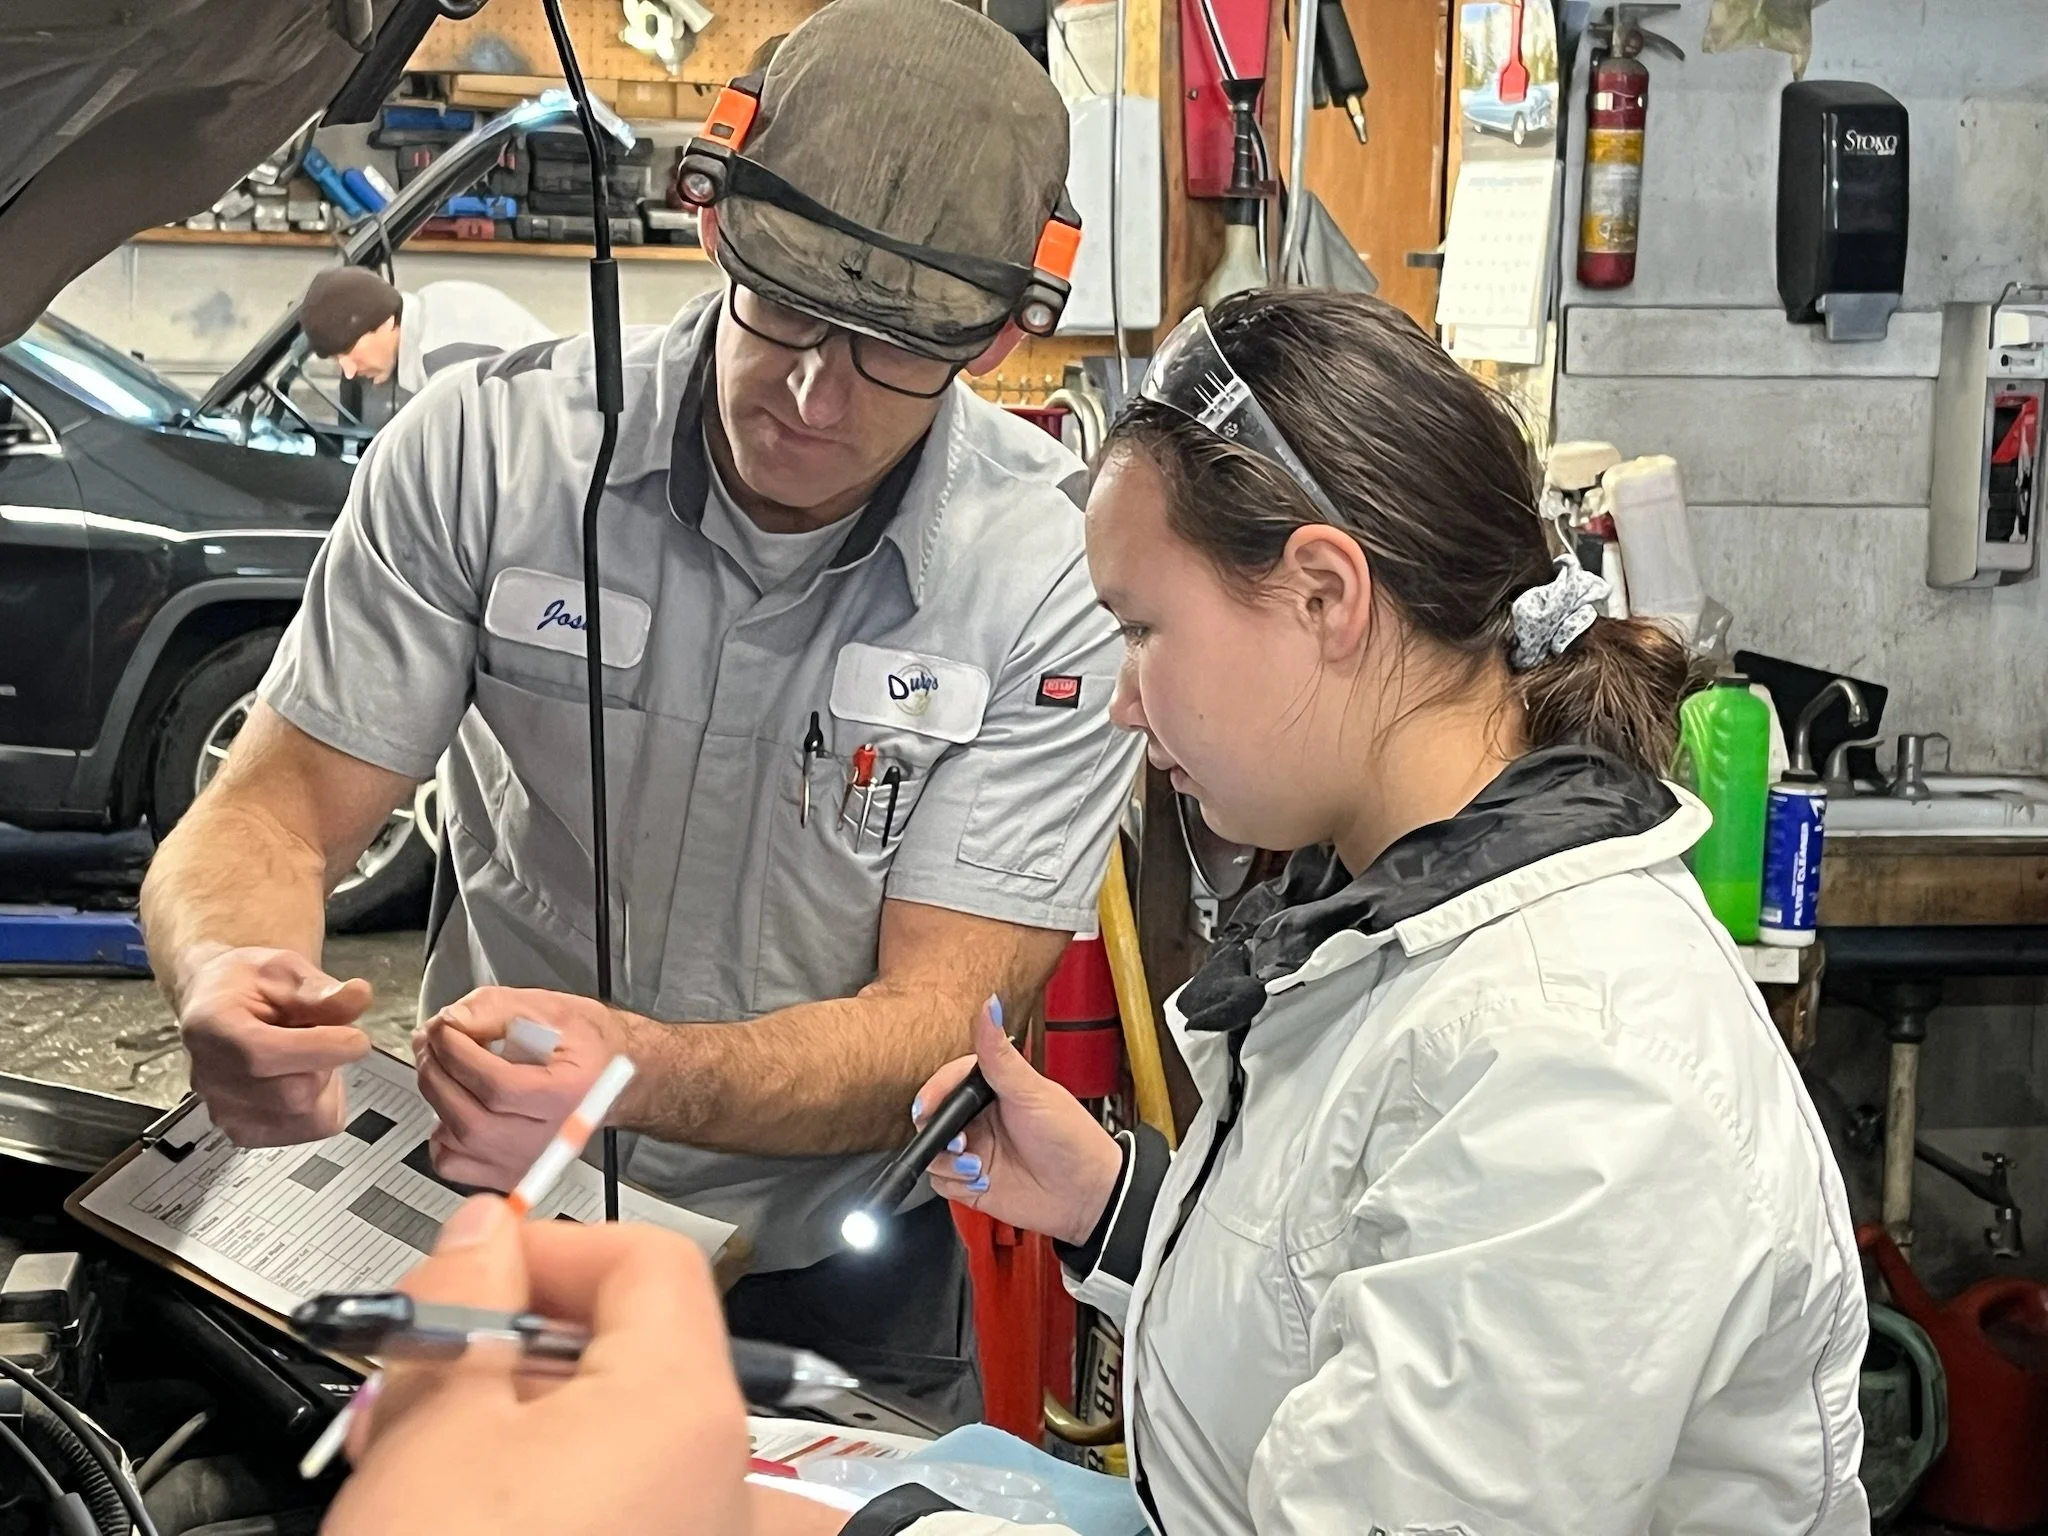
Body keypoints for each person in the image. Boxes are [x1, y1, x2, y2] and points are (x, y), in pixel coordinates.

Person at [318, 292, 1872, 1536]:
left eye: (1143, 628)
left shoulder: (1577, 1071)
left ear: (1326, 595)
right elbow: (1348, 1286)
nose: (1124, 699)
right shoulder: (1407, 925)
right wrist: (1125, 1202)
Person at [140, 0, 1142, 1426]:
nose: (809, 388)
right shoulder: (488, 454)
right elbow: (277, 807)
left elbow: (933, 1022)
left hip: (833, 1291)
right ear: (710, 222)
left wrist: (640, 1075)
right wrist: (228, 972)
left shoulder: (1052, 576)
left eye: (889, 350)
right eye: (784, 302)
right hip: (498, 1237)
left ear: (990, 343)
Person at [298, 267, 554, 394]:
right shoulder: (433, 302)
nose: (350, 372)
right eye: (337, 360)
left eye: (349, 351)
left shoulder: (443, 359)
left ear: (386, 322)